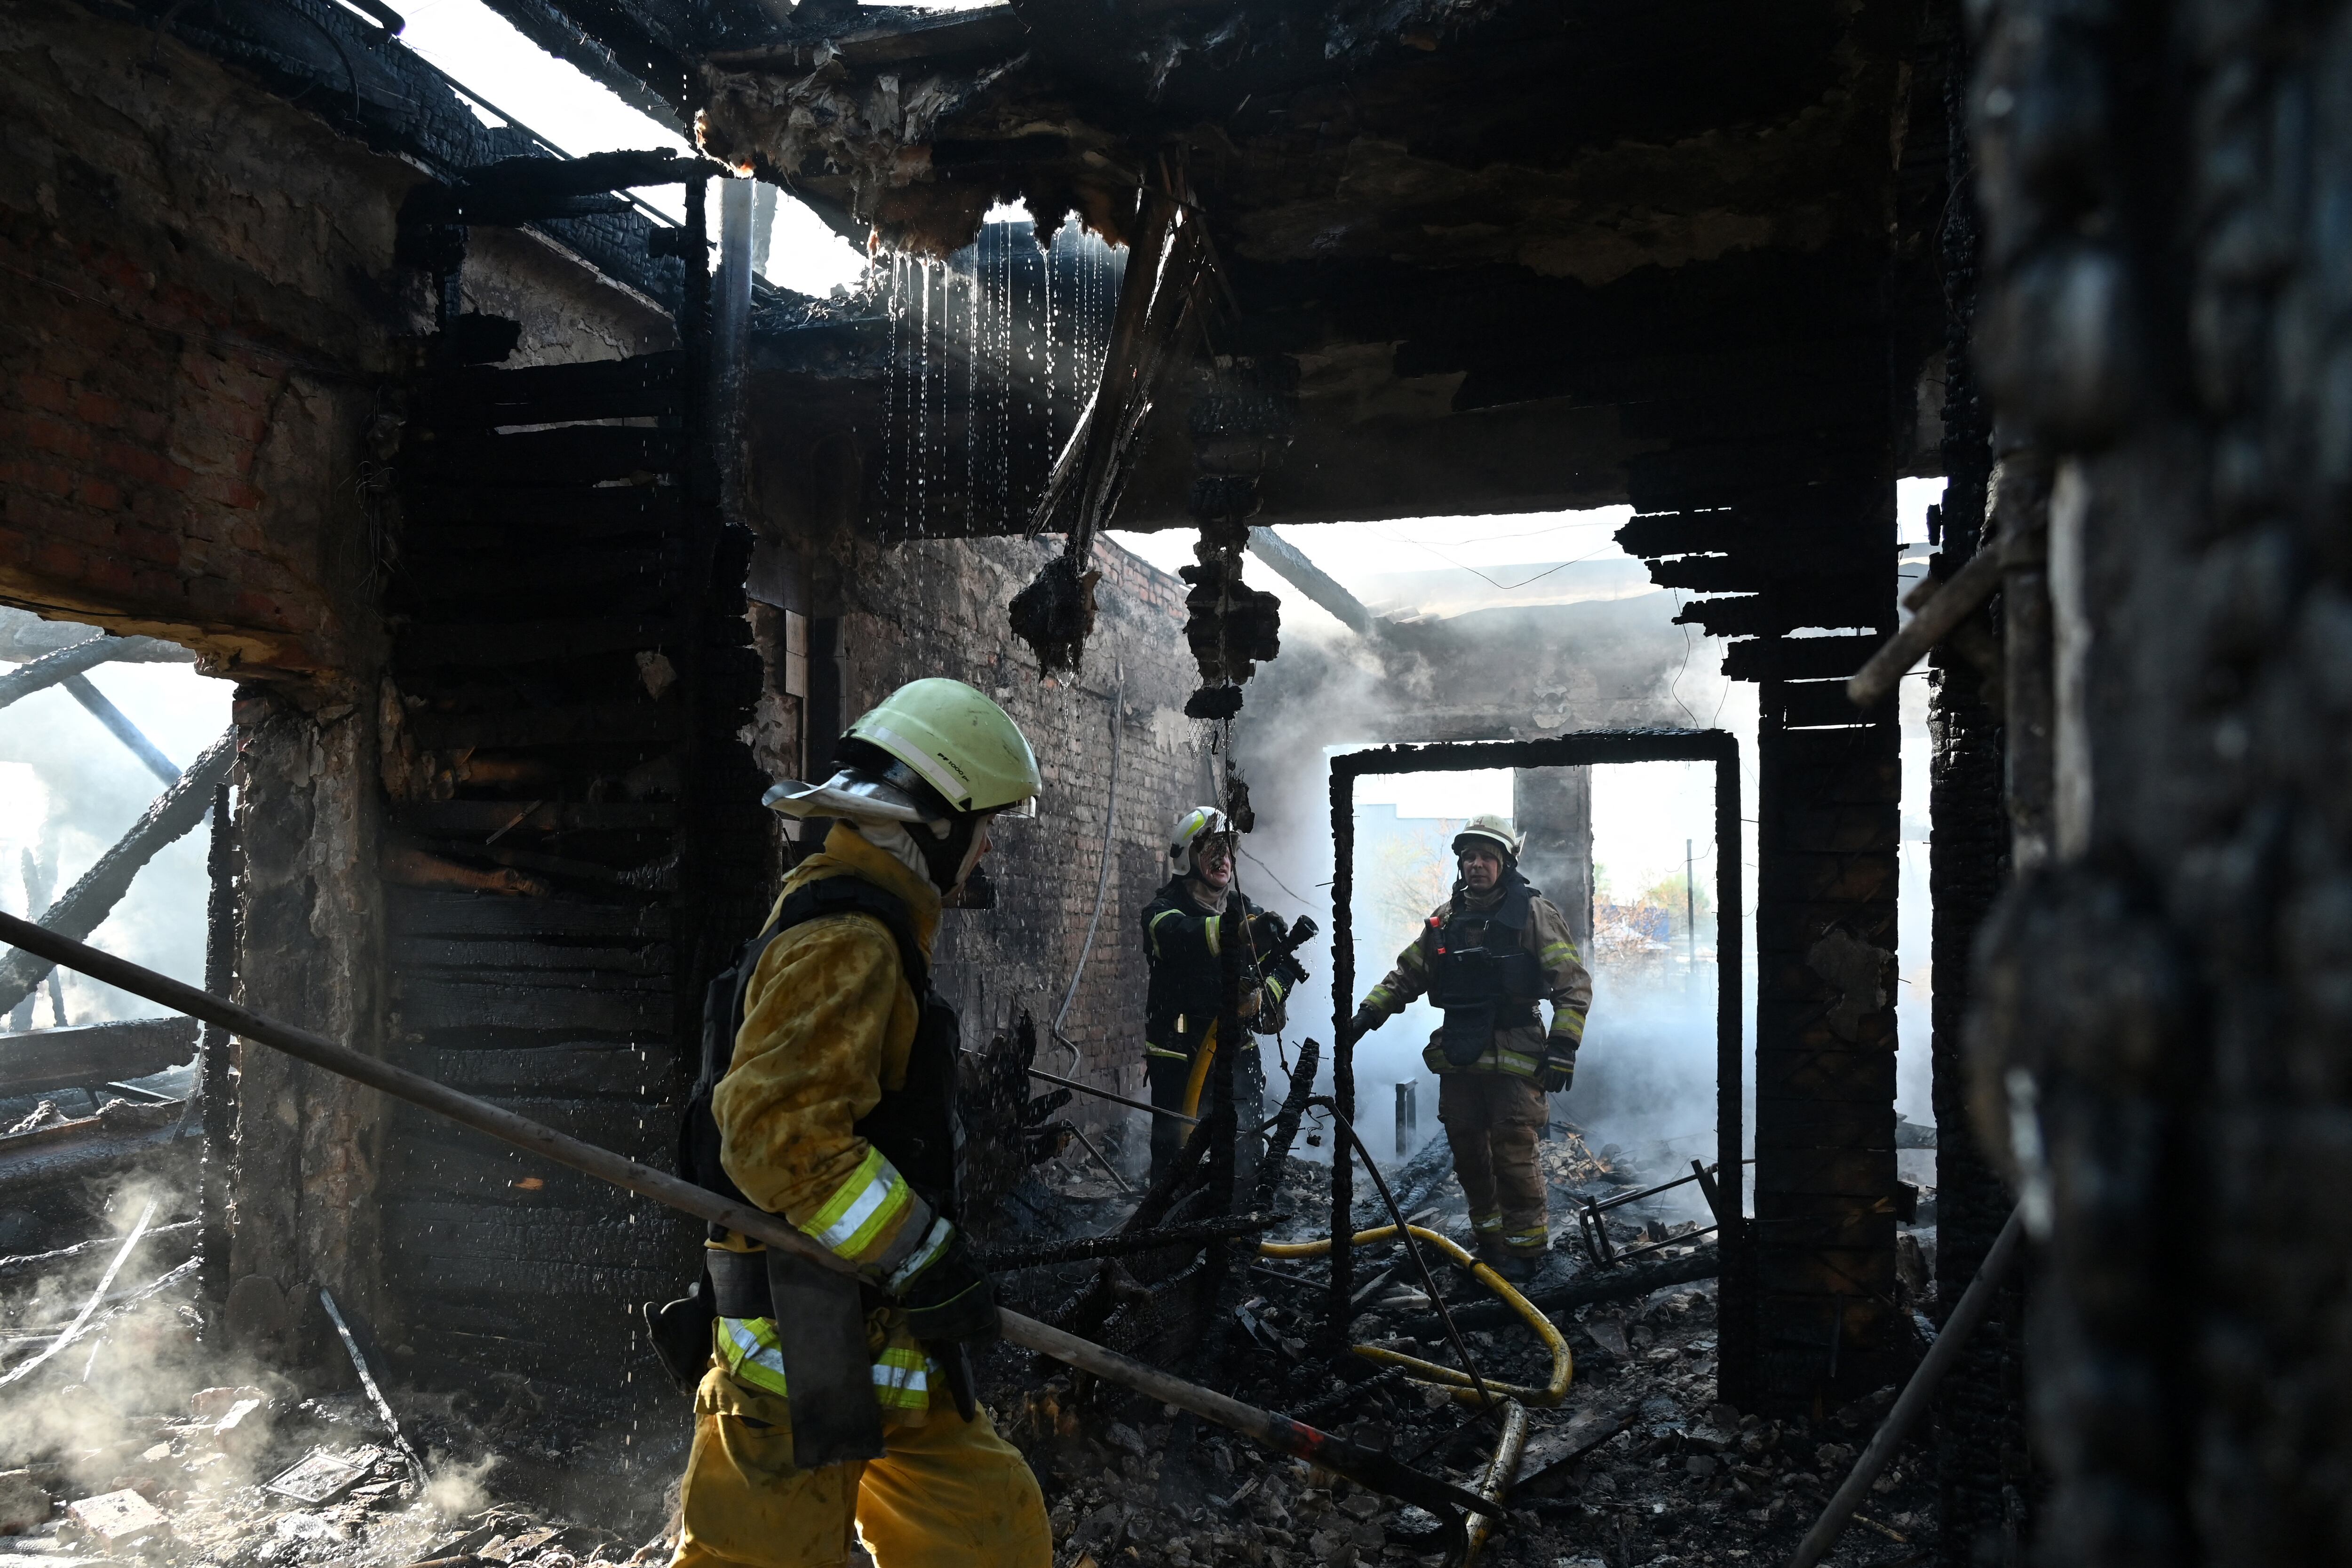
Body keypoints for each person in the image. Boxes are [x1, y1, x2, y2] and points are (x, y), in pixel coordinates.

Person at [670, 677, 1053, 1568]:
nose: (988, 847)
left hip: (883, 1338)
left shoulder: (861, 915)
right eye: (984, 824)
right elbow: (781, 1137)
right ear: (938, 825)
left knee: (994, 1537)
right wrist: (922, 1254)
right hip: (796, 1345)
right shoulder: (851, 936)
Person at [1347, 814, 1590, 1281]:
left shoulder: (1535, 914)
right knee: (1467, 1153)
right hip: (1461, 1054)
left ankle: (1526, 1256)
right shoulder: (1444, 919)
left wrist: (1563, 1045)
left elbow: (1572, 984)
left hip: (1516, 1051)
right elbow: (1407, 974)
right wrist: (1367, 1015)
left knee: (1513, 1152)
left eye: (1486, 857)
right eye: (1468, 857)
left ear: (1504, 863)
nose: (1476, 865)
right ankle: (1490, 1247)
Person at [1139, 807, 1300, 1182]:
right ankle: (1169, 1232)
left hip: (1236, 1054)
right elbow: (1182, 936)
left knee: (1245, 1154)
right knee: (1175, 1161)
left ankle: (1236, 1229)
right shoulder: (1161, 913)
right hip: (1179, 1055)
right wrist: (1236, 933)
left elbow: (1271, 987)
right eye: (1211, 847)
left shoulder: (1251, 915)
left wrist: (1273, 988)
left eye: (1228, 848)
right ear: (1188, 857)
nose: (1222, 858)